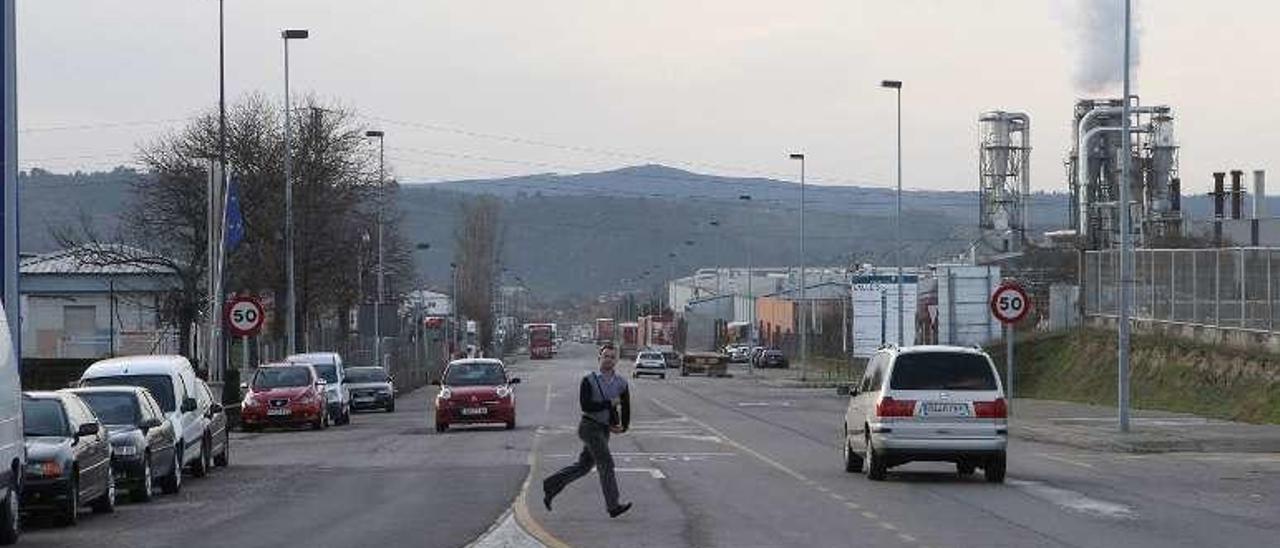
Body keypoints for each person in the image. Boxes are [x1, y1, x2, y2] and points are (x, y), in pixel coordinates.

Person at [542, 343, 633, 518]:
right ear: (599, 358)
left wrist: (624, 426)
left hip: (604, 429)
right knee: (606, 463)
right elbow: (586, 406)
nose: (609, 359)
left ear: (617, 360)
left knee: (583, 467)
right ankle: (613, 506)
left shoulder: (621, 383)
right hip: (589, 427)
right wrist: (608, 403)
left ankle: (551, 485)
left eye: (612, 357)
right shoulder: (589, 380)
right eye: (606, 356)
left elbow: (626, 406)